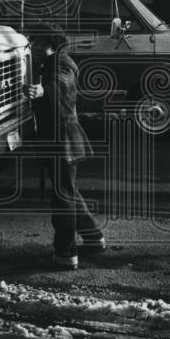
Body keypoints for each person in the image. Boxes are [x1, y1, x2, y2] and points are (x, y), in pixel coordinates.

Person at [23, 29, 106, 270]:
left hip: (63, 140)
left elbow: (61, 83)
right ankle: (93, 236)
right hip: (58, 139)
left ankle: (66, 253)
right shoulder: (50, 62)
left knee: (63, 197)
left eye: (39, 41)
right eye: (34, 41)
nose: (34, 45)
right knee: (69, 191)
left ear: (53, 43)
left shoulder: (61, 64)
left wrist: (43, 90)